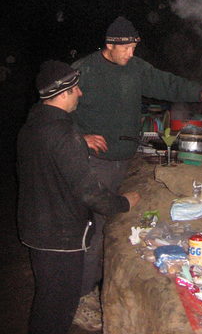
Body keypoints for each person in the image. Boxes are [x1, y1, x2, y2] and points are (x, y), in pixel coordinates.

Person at [71, 16, 202, 327]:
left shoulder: (136, 68)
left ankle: (90, 286)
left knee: (106, 224)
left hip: (120, 161)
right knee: (92, 228)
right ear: (109, 45)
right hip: (92, 163)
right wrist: (79, 137)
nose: (130, 52)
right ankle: (79, 296)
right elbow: (54, 105)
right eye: (126, 47)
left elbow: (166, 82)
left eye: (133, 46)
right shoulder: (83, 70)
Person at [16, 60, 140, 334]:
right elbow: (91, 194)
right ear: (62, 94)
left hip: (37, 229)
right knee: (58, 307)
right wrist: (125, 202)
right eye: (75, 89)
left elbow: (49, 151)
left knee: (48, 299)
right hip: (59, 237)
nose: (80, 93)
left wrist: (78, 141)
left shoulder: (34, 125)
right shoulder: (63, 135)